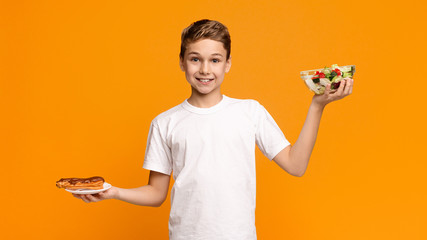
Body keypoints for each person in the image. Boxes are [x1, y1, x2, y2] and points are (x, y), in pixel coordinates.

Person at [72, 19, 353, 239]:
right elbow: (157, 194)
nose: (205, 69)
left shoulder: (249, 111)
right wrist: (114, 192)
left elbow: (296, 164)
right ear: (182, 61)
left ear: (228, 64)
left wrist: (317, 106)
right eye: (195, 59)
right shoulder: (165, 123)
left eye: (215, 60)